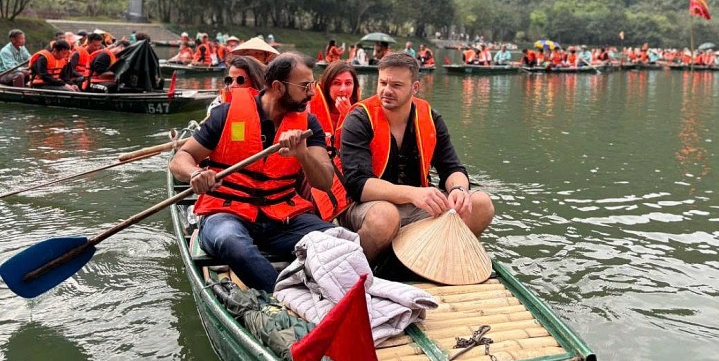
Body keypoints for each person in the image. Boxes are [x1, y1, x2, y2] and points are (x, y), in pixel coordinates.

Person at [168, 53, 335, 292]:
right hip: (227, 212)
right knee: (231, 241)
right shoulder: (225, 114)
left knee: (337, 240)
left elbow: (325, 182)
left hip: (281, 218)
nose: (312, 93)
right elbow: (180, 160)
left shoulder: (308, 124)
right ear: (278, 87)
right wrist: (195, 173)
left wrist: (302, 154)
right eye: (305, 86)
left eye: (313, 85)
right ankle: (285, 297)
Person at [339, 53, 494, 262]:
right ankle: (363, 270)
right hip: (368, 207)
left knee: (481, 204)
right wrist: (413, 194)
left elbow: (452, 168)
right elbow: (357, 184)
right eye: (383, 82)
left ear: (415, 87)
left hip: (418, 204)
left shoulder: (431, 117)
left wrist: (458, 190)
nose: (387, 90)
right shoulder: (359, 118)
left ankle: (435, 263)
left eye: (396, 85)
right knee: (386, 216)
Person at [306, 61, 361, 221]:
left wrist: (350, 117)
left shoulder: (361, 112)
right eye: (336, 83)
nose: (343, 89)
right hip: (318, 172)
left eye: (348, 83)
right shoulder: (309, 108)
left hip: (347, 174)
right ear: (326, 86)